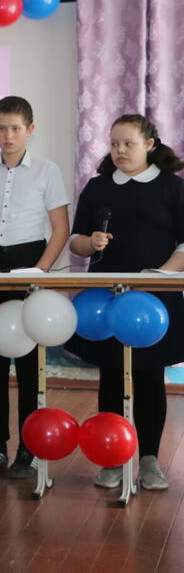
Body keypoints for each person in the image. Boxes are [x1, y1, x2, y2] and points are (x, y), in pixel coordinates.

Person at [66, 114, 184, 491]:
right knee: (112, 376)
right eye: (114, 143)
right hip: (106, 299)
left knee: (150, 377)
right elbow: (75, 241)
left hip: (155, 299)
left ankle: (149, 459)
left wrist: (158, 276)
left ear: (149, 145)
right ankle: (112, 458)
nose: (119, 150)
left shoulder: (172, 187)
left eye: (128, 143)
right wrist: (90, 243)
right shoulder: (98, 187)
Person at [0, 96, 69, 479]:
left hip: (30, 263)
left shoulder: (47, 171)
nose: (8, 135)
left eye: (16, 128)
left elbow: (60, 229)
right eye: (2, 128)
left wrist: (40, 271)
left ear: (30, 130)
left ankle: (28, 447)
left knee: (27, 363)